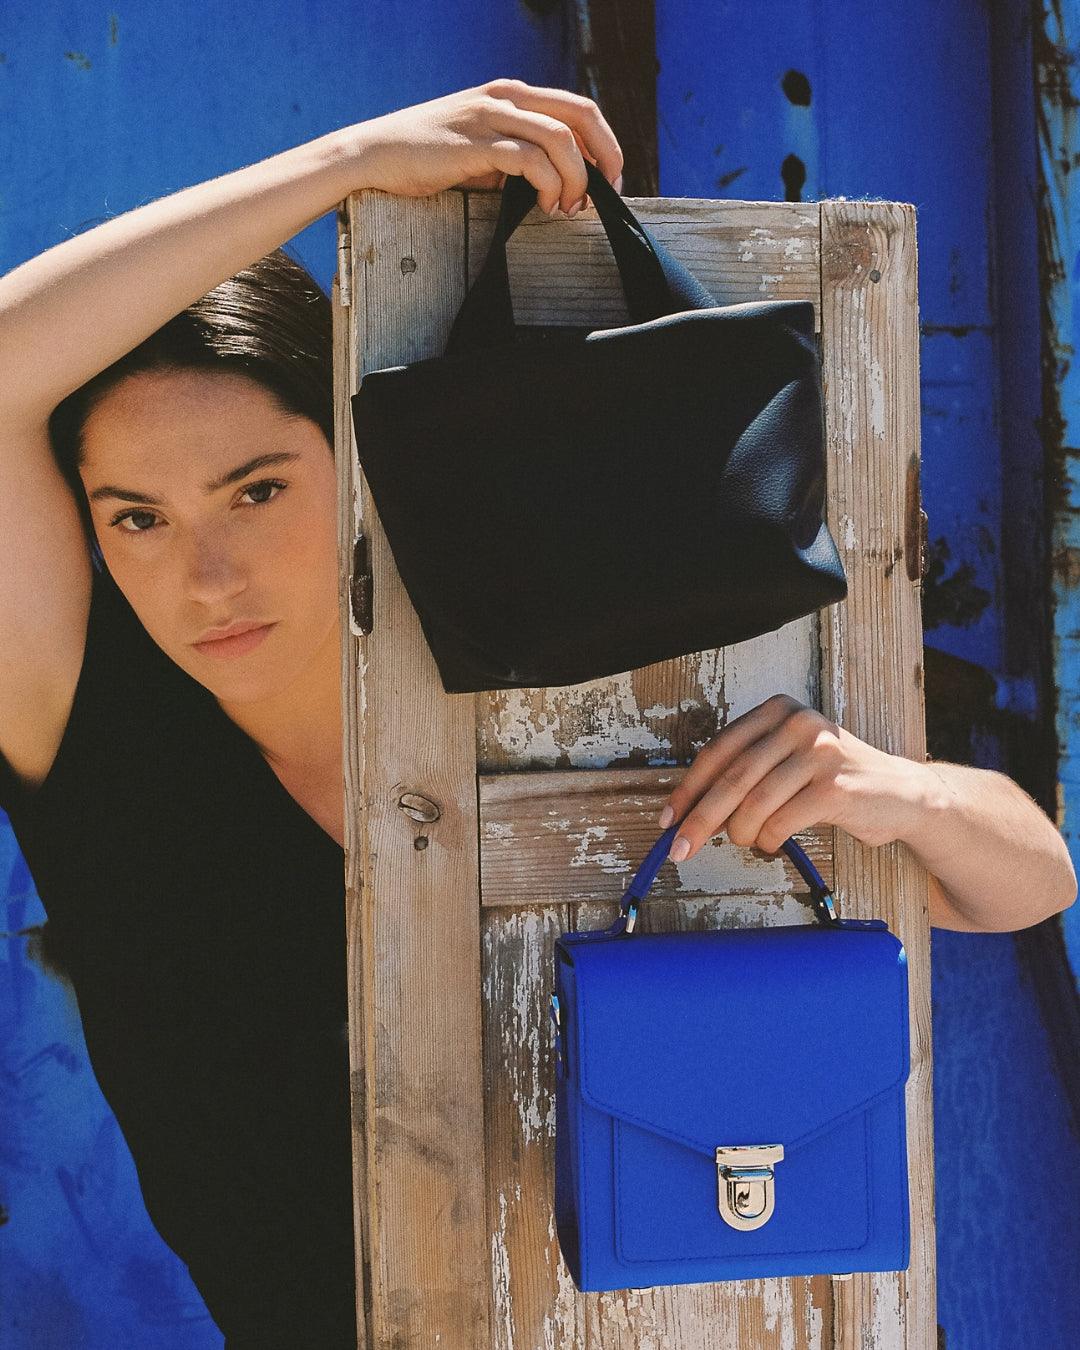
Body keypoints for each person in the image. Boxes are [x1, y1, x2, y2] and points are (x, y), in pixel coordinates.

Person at [0, 76, 1073, 1343]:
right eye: (138, 518)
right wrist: (348, 163)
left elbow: (1032, 880)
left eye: (257, 491)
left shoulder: (543, 675)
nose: (209, 577)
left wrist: (900, 792)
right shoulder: (84, 728)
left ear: (355, 466)